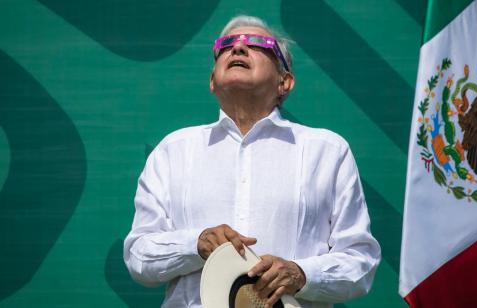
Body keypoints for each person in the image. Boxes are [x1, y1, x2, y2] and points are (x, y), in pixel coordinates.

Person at [124, 15, 381, 308]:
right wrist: (195, 244)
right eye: (226, 45)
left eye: (259, 43)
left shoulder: (327, 151)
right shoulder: (173, 151)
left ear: (285, 81)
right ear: (211, 81)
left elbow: (361, 261)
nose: (239, 48)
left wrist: (301, 275)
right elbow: (138, 256)